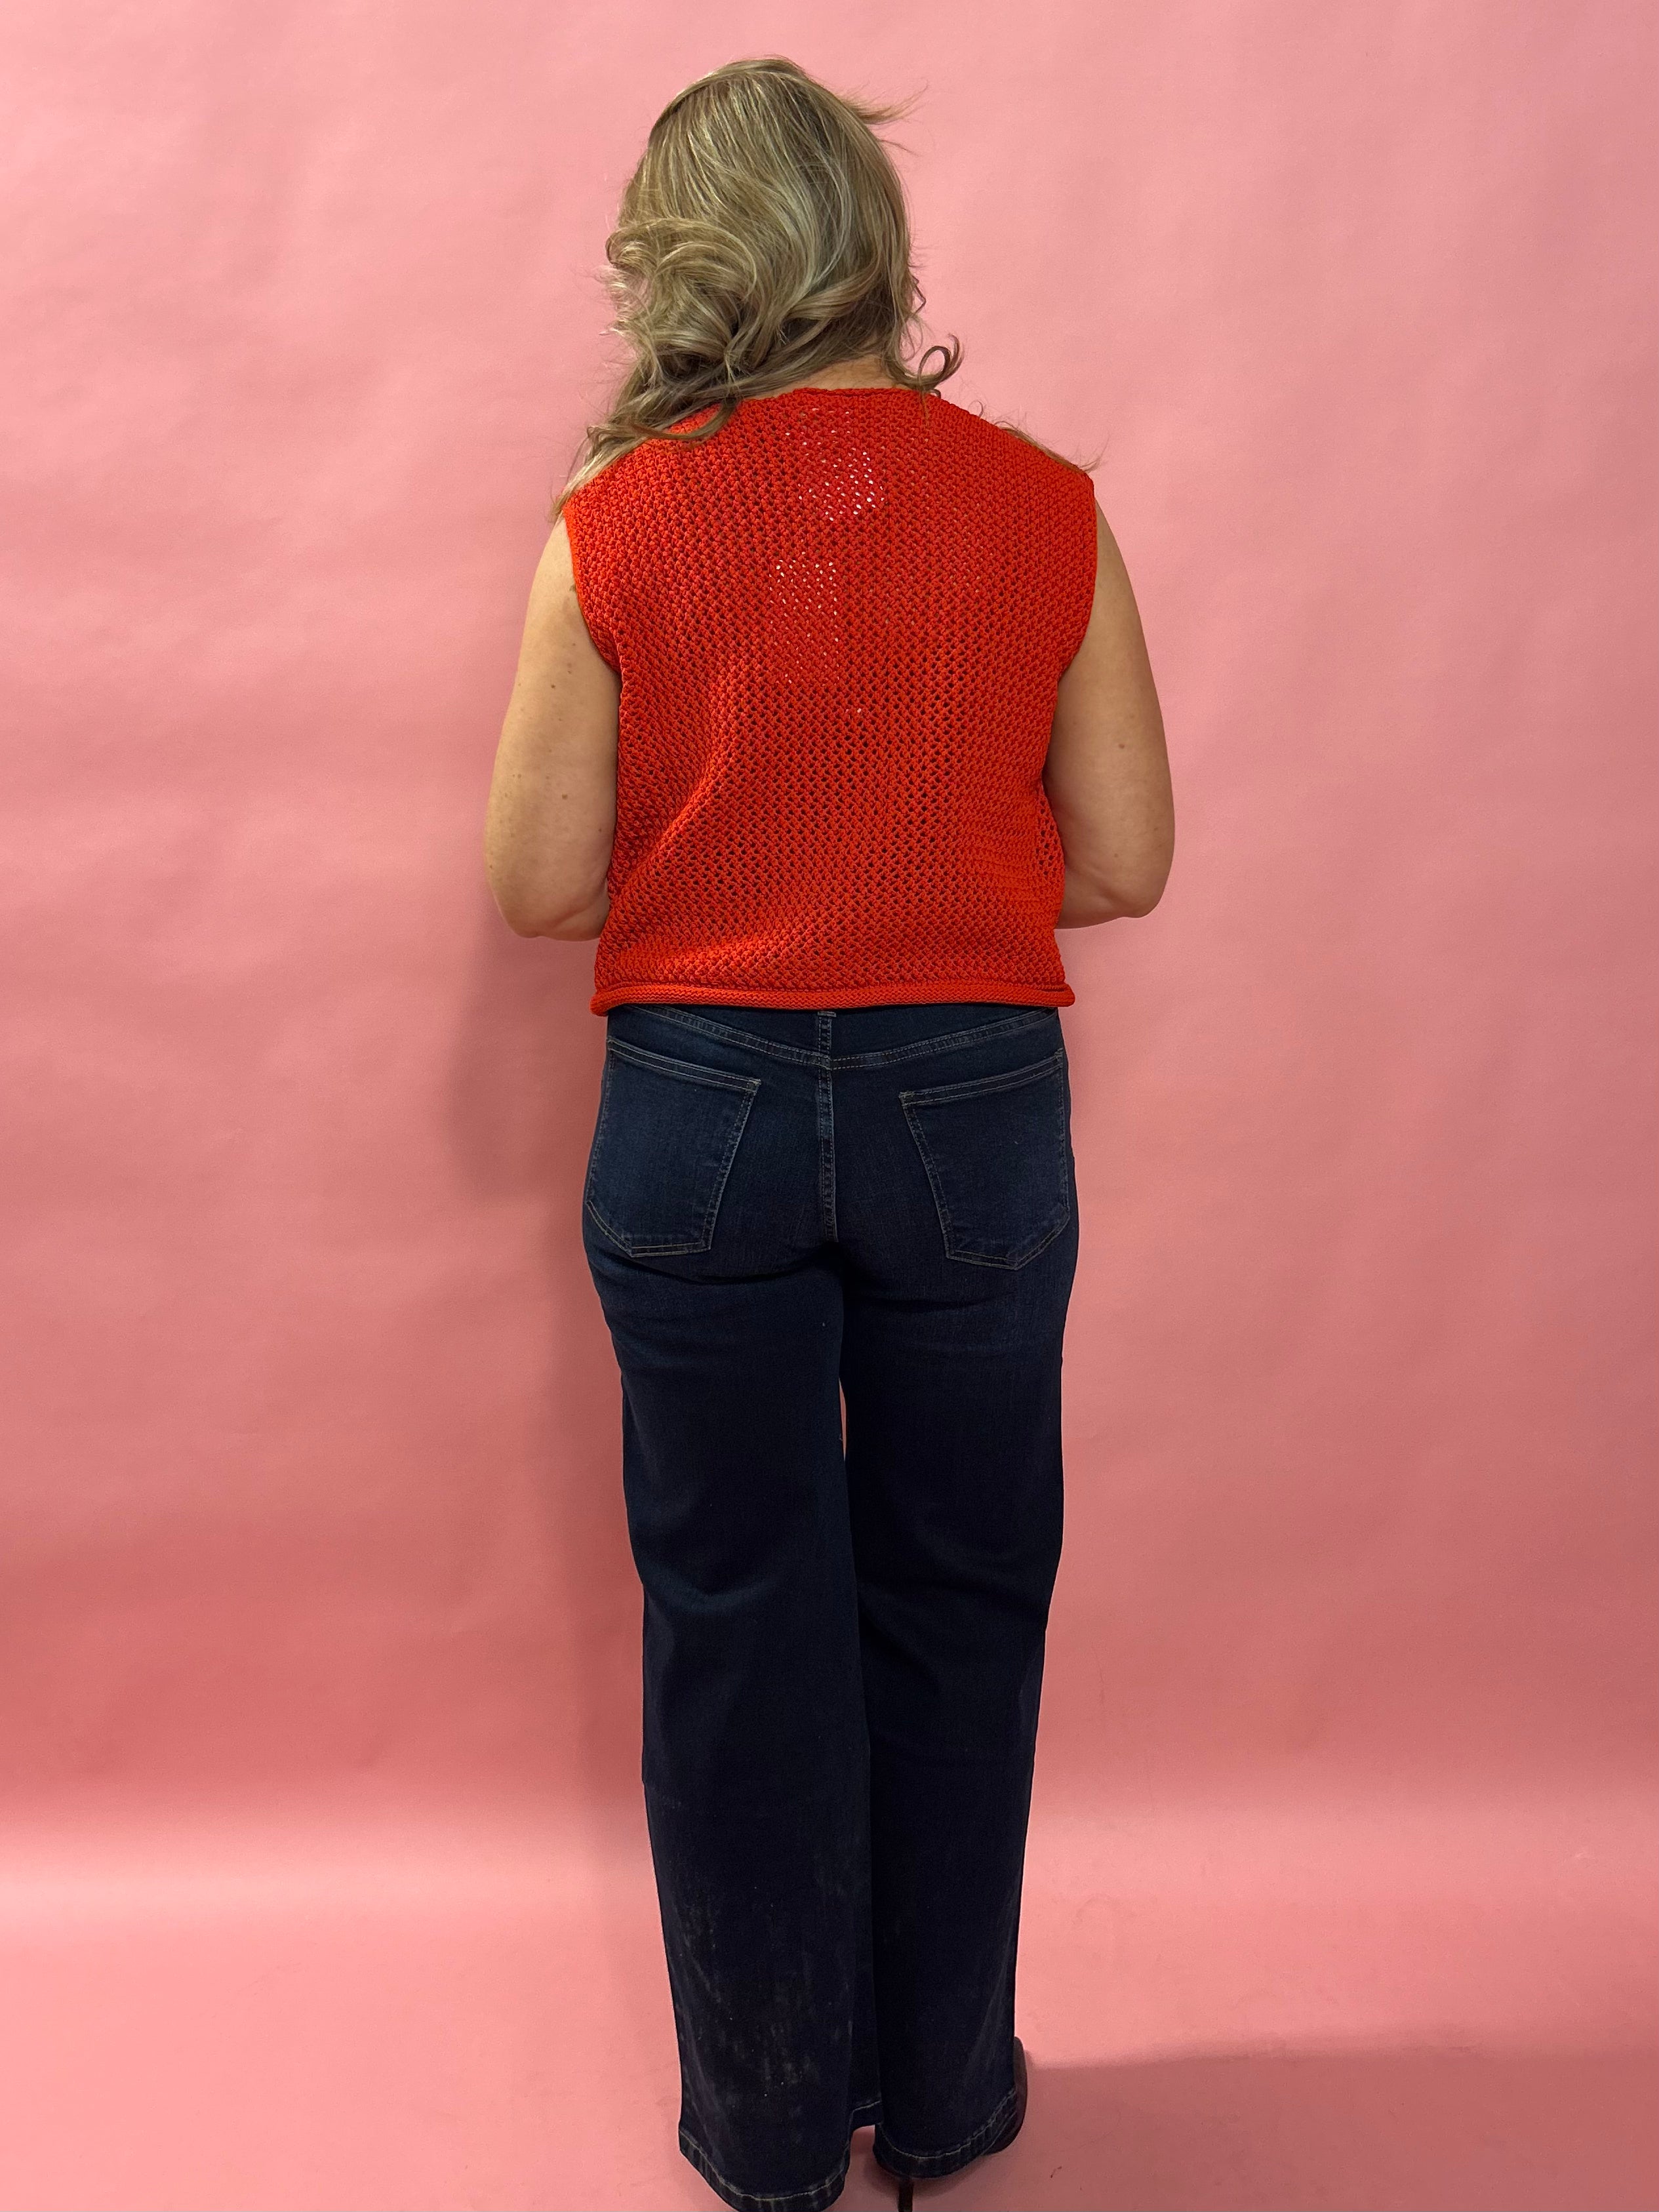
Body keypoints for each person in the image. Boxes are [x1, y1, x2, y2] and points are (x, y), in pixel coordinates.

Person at [484, 54, 1173, 2212]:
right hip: (971, 1103)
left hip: (694, 1107)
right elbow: (1128, 861)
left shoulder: (615, 522)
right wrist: (927, 869)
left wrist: (743, 857)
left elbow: (535, 882)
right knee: (962, 1600)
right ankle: (949, 2102)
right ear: (876, 244)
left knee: (733, 1614)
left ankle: (774, 2133)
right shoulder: (1043, 502)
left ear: (688, 263)